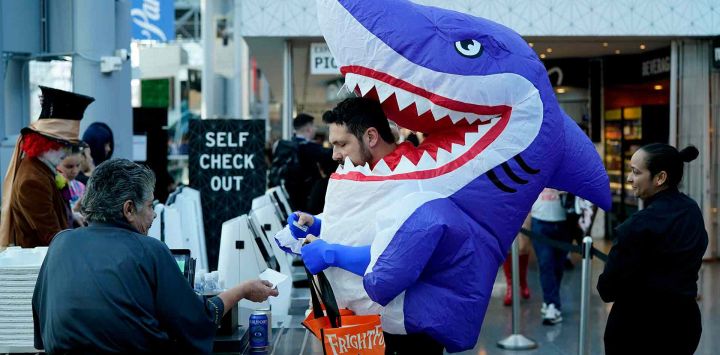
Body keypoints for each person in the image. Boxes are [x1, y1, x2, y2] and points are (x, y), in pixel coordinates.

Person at [32, 159, 279, 354]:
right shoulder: (149, 250)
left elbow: (43, 327)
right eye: (150, 206)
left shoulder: (60, 243)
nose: (154, 216)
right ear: (129, 209)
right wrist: (243, 290)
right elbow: (198, 320)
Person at [597, 144, 707, 355]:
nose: (630, 178)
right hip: (684, 324)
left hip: (638, 330)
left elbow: (607, 289)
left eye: (636, 172)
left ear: (660, 178)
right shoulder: (692, 210)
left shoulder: (636, 227)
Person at [0, 86, 94, 248]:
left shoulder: (41, 168)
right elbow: (52, 236)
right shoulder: (33, 181)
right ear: (47, 144)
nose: (67, 152)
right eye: (65, 145)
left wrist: (72, 216)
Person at [279, 113, 335, 214]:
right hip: (308, 199)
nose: (315, 128)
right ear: (309, 129)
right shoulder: (308, 148)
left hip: (291, 197)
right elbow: (331, 156)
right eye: (313, 126)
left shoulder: (288, 146)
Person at [530, 188, 569, 325]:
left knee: (558, 266)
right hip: (540, 220)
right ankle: (553, 304)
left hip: (565, 221)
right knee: (546, 263)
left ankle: (549, 300)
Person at [502, 214, 531, 306]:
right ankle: (510, 286)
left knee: (523, 246)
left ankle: (522, 280)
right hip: (503, 207)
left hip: (524, 205)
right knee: (506, 245)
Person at [56, 145, 87, 227]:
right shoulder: (54, 188)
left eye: (78, 165)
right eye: (69, 166)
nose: (75, 171)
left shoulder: (81, 186)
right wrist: (74, 210)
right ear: (57, 163)